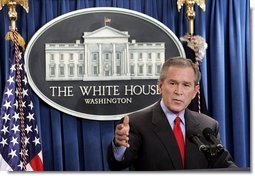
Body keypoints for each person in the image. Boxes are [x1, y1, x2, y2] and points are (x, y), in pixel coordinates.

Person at [108, 56, 237, 170]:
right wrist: (119, 146)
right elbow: (118, 164)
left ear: (195, 91)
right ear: (160, 86)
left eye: (186, 85)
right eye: (172, 83)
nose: (178, 91)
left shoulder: (207, 125)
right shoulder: (136, 123)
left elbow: (224, 165)